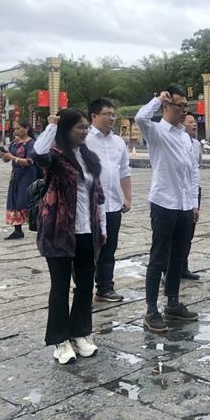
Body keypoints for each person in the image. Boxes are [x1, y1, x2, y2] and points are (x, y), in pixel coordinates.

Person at [33, 110, 106, 364]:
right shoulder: (55, 156)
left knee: (85, 285)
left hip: (87, 231)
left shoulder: (89, 157)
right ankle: (60, 340)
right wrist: (51, 126)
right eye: (79, 127)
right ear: (66, 129)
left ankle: (80, 333)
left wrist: (102, 228)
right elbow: (38, 154)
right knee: (60, 286)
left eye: (86, 127)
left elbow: (98, 197)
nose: (85, 131)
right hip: (58, 232)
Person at [135, 88, 199, 333]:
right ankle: (151, 309)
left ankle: (173, 302)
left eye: (186, 106)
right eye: (179, 105)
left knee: (179, 256)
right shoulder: (156, 132)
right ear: (166, 107)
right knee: (159, 257)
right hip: (163, 202)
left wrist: (193, 203)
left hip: (184, 204)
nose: (184, 110)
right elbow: (140, 118)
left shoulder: (185, 137)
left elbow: (191, 172)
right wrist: (158, 99)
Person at [86, 98, 132, 303]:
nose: (112, 118)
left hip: (112, 203)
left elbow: (124, 171)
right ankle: (83, 288)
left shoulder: (118, 142)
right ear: (94, 116)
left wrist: (127, 196)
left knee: (109, 248)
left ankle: (105, 287)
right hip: (89, 205)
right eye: (107, 114)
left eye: (114, 114)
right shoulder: (84, 139)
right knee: (87, 248)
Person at [1, 120, 39, 240]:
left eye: (18, 128)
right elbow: (7, 159)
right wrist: (5, 156)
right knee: (15, 200)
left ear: (26, 128)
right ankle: (17, 230)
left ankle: (38, 225)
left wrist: (13, 157)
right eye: (15, 129)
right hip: (16, 174)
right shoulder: (14, 143)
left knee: (26, 200)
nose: (16, 131)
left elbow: (29, 161)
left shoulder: (31, 143)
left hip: (28, 174)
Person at [181, 112, 202, 280]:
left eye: (195, 122)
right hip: (179, 190)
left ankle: (183, 266)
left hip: (194, 190)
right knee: (175, 234)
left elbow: (196, 166)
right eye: (190, 122)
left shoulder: (196, 144)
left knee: (189, 231)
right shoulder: (175, 141)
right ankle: (168, 270)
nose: (194, 124)